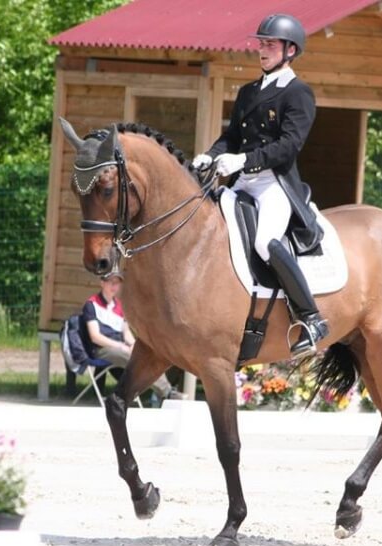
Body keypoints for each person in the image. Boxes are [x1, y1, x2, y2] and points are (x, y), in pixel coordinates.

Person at [191, 13, 328, 358]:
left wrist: (243, 160)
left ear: (290, 50)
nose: (261, 50)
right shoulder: (249, 91)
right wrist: (210, 156)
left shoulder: (298, 93)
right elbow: (232, 136)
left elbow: (289, 145)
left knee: (266, 242)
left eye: (269, 44)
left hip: (274, 185)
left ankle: (312, 318)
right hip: (243, 182)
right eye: (260, 44)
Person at [82, 271, 179, 405]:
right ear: (102, 283)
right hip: (101, 349)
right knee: (134, 359)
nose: (115, 287)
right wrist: (120, 346)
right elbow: (95, 337)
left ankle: (166, 392)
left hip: (119, 347)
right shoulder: (91, 305)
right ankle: (167, 393)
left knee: (146, 355)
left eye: (117, 283)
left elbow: (126, 332)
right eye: (112, 283)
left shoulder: (119, 306)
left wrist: (134, 344)